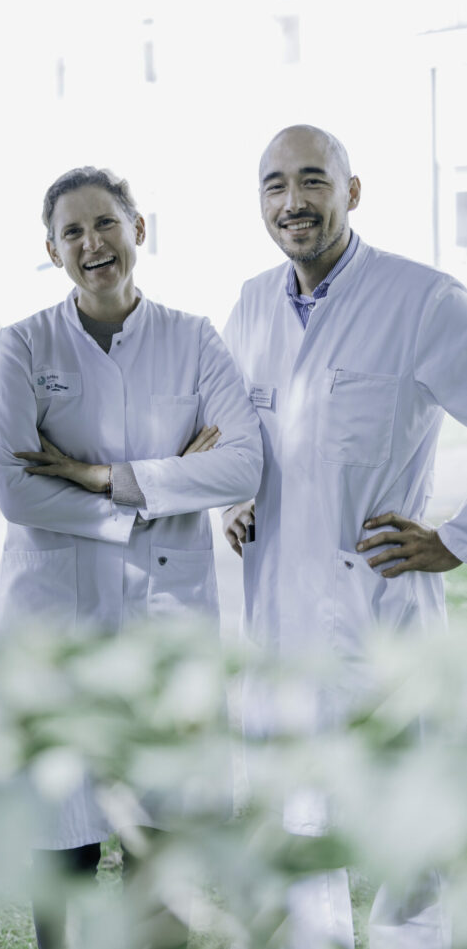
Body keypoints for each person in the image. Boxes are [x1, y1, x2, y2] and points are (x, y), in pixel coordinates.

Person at [0, 166, 263, 949]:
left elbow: (242, 464)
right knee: (60, 837)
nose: (91, 243)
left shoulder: (192, 337)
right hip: (56, 625)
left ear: (138, 229)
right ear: (51, 250)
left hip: (166, 623)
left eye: (104, 223)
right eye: (71, 232)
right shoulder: (24, 344)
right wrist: (160, 489)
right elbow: (15, 490)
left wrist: (100, 475)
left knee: (160, 835)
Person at [222, 123, 467, 949]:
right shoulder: (252, 304)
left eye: (312, 180)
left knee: (408, 834)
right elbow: (231, 434)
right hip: (277, 623)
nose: (292, 201)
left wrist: (457, 538)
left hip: (381, 615)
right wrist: (231, 499)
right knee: (290, 832)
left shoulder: (421, 300)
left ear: (350, 192)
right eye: (274, 185)